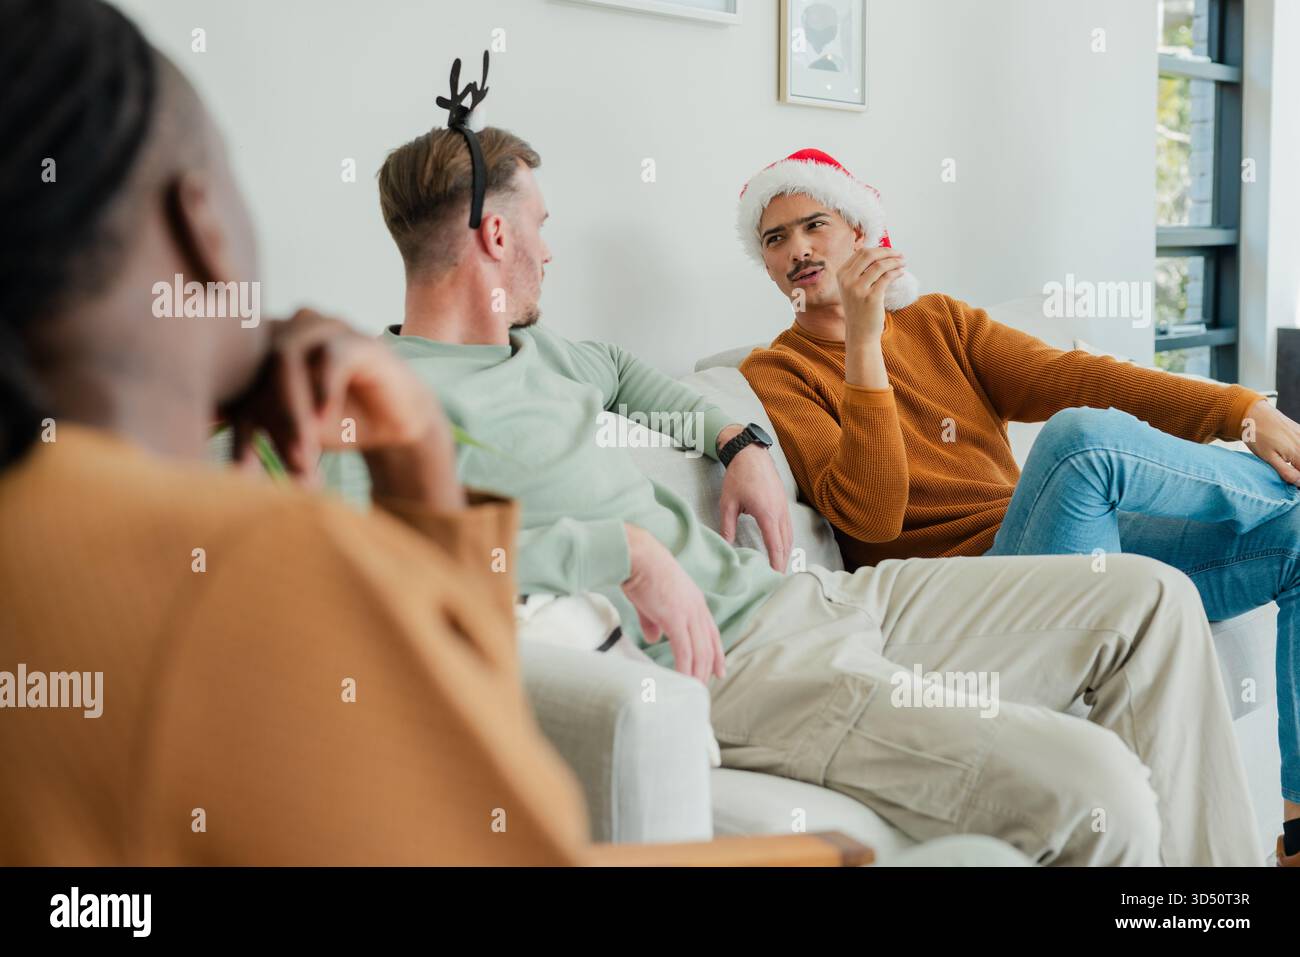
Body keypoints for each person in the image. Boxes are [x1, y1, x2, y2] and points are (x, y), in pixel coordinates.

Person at [320, 124, 1263, 865]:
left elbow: (636, 381)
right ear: (494, 236)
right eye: (539, 231)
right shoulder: (372, 390)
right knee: (1096, 782)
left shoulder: (551, 350)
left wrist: (739, 441)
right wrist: (615, 553)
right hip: (750, 670)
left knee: (1153, 597)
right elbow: (370, 553)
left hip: (820, 597)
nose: (548, 255)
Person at [0, 0, 588, 865]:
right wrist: (421, 473)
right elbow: (519, 839)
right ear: (200, 224)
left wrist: (416, 454)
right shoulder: (244, 566)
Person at [734, 147, 1300, 866]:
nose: (797, 250)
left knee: (1295, 534)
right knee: (1075, 444)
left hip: (1069, 546)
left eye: (812, 224)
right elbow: (872, 515)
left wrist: (1242, 408)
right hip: (977, 597)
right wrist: (865, 345)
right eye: (775, 240)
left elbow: (1076, 376)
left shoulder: (941, 322)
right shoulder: (776, 371)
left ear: (858, 230)